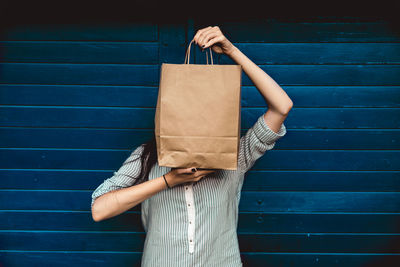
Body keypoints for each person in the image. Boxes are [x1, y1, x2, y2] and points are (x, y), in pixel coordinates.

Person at [91, 25, 293, 267]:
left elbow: (282, 106)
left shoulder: (236, 155)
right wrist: (168, 181)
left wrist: (231, 50)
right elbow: (99, 209)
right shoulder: (147, 155)